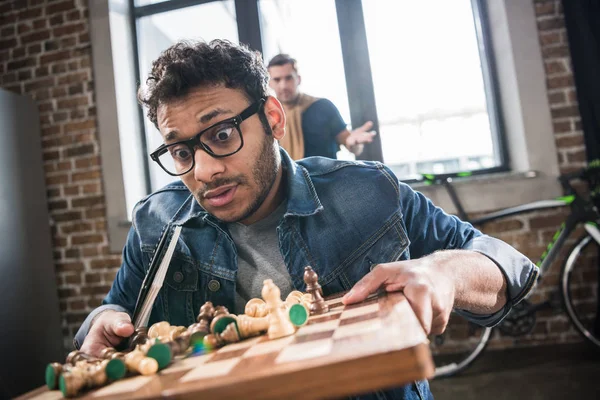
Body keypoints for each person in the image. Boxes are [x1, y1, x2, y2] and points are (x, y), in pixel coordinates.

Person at [75, 39, 538, 400]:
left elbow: (507, 267)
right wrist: (104, 319)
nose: (204, 171)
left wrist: (445, 272)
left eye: (221, 134)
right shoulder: (157, 223)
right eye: (180, 151)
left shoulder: (366, 191)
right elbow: (115, 313)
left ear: (272, 117)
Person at [267, 53, 376, 159]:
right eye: (277, 80)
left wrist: (354, 144)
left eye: (288, 78)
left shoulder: (323, 107)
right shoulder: (268, 116)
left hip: (325, 177)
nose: (283, 85)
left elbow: (352, 145)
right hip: (287, 177)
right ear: (269, 83)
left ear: (298, 79)